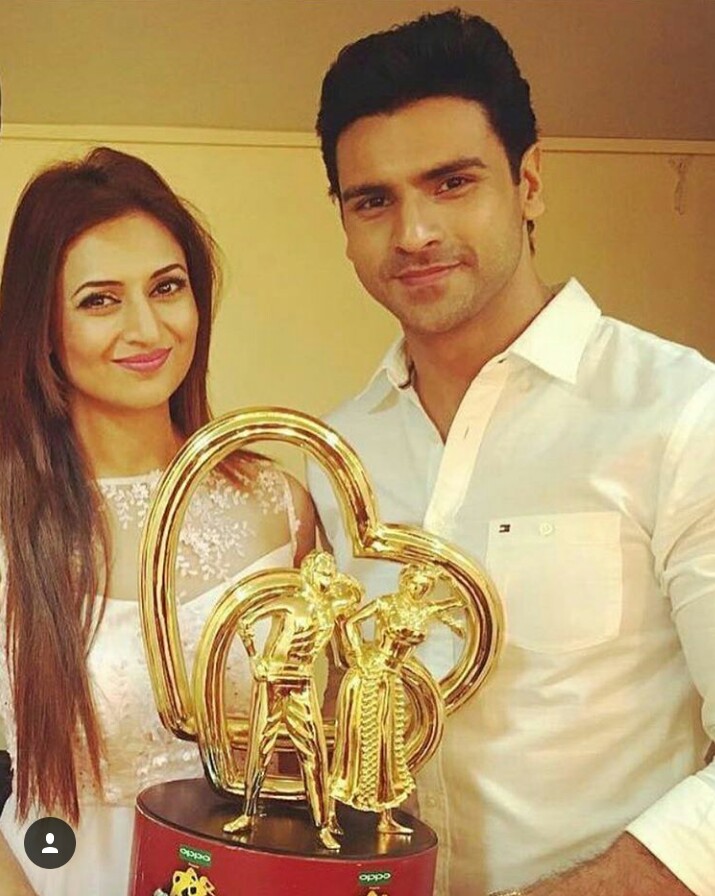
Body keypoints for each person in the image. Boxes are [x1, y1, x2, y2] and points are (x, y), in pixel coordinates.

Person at [308, 9, 715, 896]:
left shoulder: (682, 413)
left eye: (451, 183)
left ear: (528, 184)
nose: (413, 232)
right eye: (373, 200)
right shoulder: (336, 453)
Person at [0, 147, 316, 896]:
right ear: (42, 326)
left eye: (167, 287)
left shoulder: (279, 504)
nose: (147, 328)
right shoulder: (10, 520)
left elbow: (313, 765)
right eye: (100, 300)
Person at [224, 550, 362, 850]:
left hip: (301, 682)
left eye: (331, 573)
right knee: (260, 749)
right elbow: (245, 621)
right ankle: (247, 814)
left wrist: (341, 583)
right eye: (323, 572)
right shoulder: (289, 601)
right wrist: (255, 660)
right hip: (272, 680)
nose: (328, 578)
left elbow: (355, 595)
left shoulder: (330, 610)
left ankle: (322, 824)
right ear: (309, 573)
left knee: (313, 755)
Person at [329, 564, 462, 835]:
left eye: (424, 586)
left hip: (390, 680)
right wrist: (357, 653)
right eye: (415, 583)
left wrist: (448, 577)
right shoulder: (387, 604)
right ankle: (329, 813)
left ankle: (385, 816)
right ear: (405, 581)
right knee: (355, 742)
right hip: (369, 675)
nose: (418, 589)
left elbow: (459, 602)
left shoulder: (424, 610)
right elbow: (351, 622)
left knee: (387, 745)